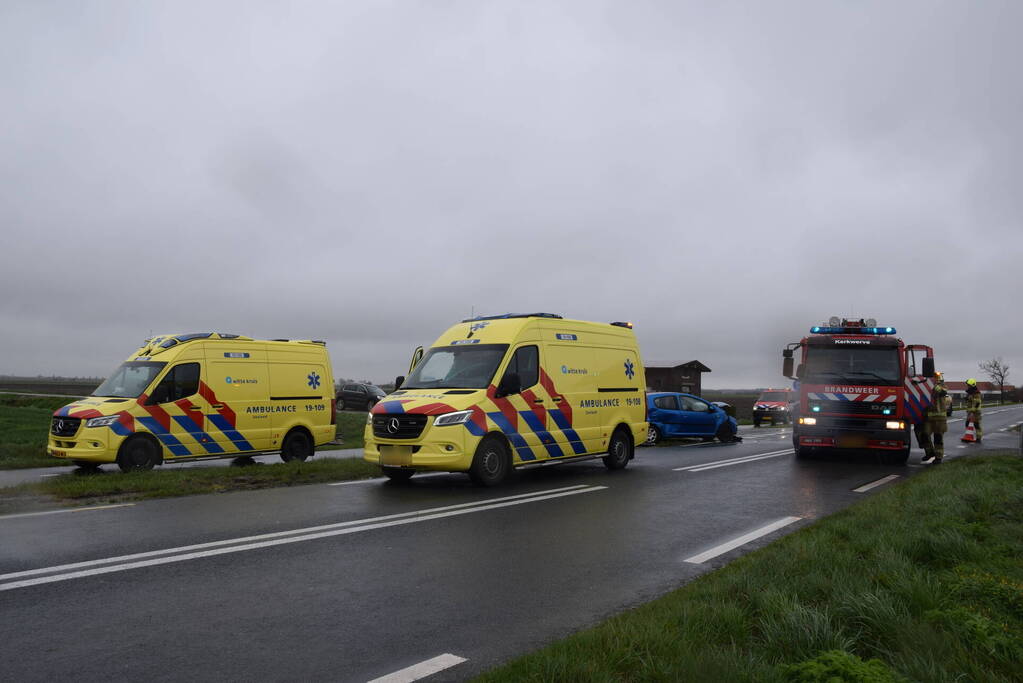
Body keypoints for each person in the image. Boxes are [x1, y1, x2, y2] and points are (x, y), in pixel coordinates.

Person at [917, 372, 951, 463]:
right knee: (924, 435)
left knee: (938, 438)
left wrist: (934, 385)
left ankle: (938, 457)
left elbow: (943, 392)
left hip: (939, 418)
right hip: (928, 418)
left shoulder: (942, 386)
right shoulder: (925, 386)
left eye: (935, 377)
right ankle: (929, 453)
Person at [963, 377, 983, 444]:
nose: (967, 386)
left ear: (972, 385)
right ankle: (968, 436)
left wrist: (972, 412)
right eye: (967, 385)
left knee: (976, 425)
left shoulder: (976, 393)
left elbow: (977, 403)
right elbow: (970, 401)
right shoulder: (970, 393)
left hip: (976, 412)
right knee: (967, 424)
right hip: (970, 412)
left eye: (968, 385)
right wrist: (967, 399)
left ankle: (978, 438)